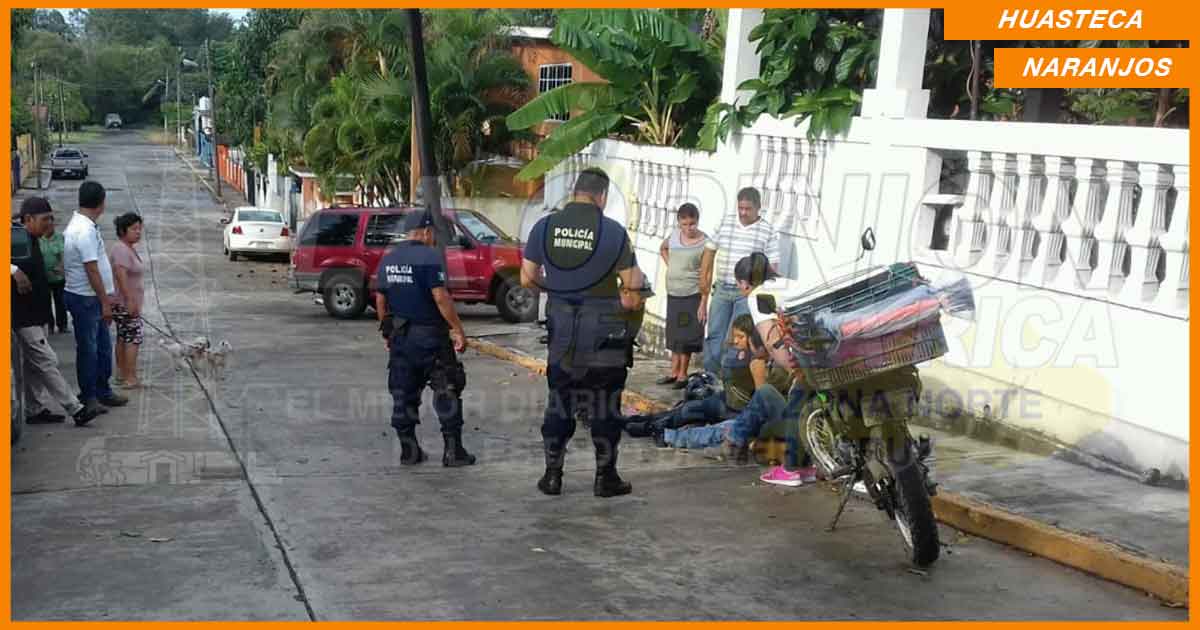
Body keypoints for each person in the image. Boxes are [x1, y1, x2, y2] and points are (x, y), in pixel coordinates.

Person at [521, 167, 646, 498]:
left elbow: (526, 279)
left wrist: (560, 291)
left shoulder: (544, 227)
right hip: (604, 334)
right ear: (602, 196)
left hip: (563, 332)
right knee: (605, 405)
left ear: (575, 191)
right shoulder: (614, 232)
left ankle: (552, 476)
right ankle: (605, 477)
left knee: (560, 402)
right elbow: (633, 288)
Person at [374, 209, 475, 467]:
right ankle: (453, 452)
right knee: (447, 389)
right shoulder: (429, 256)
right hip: (431, 338)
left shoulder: (390, 258)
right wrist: (457, 329)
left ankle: (409, 451)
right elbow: (441, 297)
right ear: (427, 232)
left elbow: (380, 299)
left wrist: (387, 331)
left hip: (402, 339)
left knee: (403, 393)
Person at [626, 313, 790, 444]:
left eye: (741, 337)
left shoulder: (771, 366)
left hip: (743, 413)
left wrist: (757, 375)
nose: (735, 341)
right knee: (689, 409)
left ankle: (666, 435)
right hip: (728, 402)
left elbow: (760, 403)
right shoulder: (745, 356)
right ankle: (646, 423)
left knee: (721, 429)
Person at [10, 197, 100, 426]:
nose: (49, 224)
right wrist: (13, 270)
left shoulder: (29, 237)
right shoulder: (14, 236)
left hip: (38, 313)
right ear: (28, 219)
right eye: (44, 219)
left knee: (33, 366)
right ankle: (76, 408)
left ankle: (34, 409)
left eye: (51, 219)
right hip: (23, 317)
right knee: (47, 361)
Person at [63, 181, 128, 412]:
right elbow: (91, 269)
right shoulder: (84, 231)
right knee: (89, 349)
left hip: (91, 297)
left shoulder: (83, 225)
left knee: (101, 347)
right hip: (87, 299)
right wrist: (105, 302)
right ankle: (89, 396)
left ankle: (102, 390)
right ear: (101, 203)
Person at [702, 187, 780, 375]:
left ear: (758, 208)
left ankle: (729, 381)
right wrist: (703, 285)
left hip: (745, 293)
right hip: (722, 288)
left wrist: (757, 290)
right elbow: (709, 251)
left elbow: (773, 268)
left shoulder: (767, 231)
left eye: (748, 209)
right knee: (714, 334)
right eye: (741, 208)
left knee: (737, 338)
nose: (743, 213)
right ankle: (709, 377)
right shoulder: (726, 222)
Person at [656, 203, 713, 388]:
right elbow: (662, 248)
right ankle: (673, 372)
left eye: (692, 223)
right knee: (674, 335)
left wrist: (703, 301)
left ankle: (682, 375)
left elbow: (707, 273)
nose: (689, 228)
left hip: (691, 294)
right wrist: (671, 264)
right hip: (673, 292)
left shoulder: (706, 243)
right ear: (679, 223)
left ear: (697, 221)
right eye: (685, 224)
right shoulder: (673, 236)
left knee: (686, 335)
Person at [109, 212, 146, 389]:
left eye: (140, 228)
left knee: (123, 337)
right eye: (134, 229)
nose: (138, 232)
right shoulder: (121, 249)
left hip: (126, 303)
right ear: (123, 230)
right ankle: (130, 377)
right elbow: (120, 274)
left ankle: (122, 374)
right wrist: (130, 300)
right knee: (133, 338)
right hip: (125, 304)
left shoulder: (127, 248)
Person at [40, 214, 69, 334]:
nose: (49, 227)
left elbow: (64, 254)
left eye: (51, 224)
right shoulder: (38, 238)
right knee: (45, 302)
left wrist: (61, 266)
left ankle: (62, 325)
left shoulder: (60, 237)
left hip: (58, 277)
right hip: (44, 277)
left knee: (60, 302)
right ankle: (50, 325)